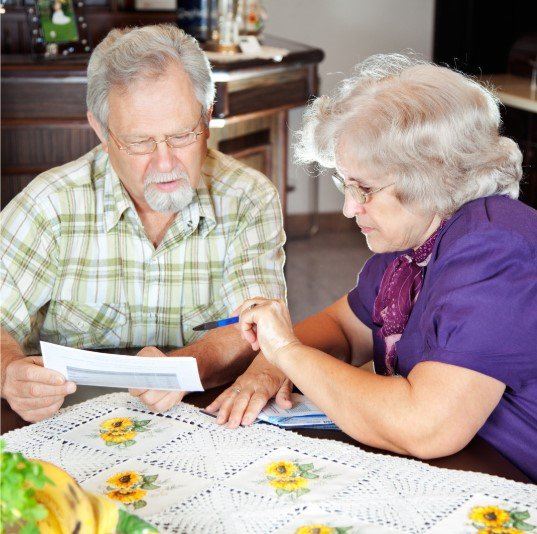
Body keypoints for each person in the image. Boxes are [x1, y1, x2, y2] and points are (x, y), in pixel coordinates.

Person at [207, 54, 537, 482]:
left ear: (431, 177)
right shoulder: (413, 244)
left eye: (364, 189)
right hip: (463, 472)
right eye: (346, 184)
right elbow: (344, 329)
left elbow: (427, 428)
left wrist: (287, 351)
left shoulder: (496, 252)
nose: (348, 208)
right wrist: (271, 367)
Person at [0, 24, 285, 423]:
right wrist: (9, 373)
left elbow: (257, 326)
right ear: (101, 130)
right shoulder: (51, 203)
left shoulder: (248, 197)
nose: (165, 163)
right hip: (69, 428)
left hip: (203, 419)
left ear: (207, 115)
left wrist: (180, 367)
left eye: (183, 135)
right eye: (139, 142)